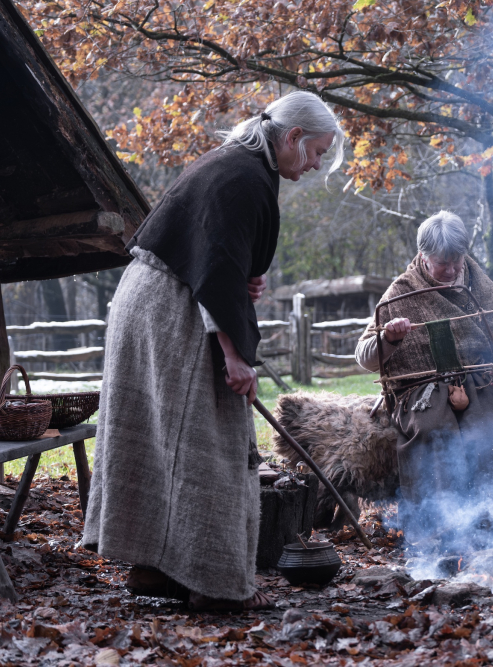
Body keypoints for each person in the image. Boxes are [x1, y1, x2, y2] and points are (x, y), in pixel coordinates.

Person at [81, 91, 346, 611]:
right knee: (215, 441)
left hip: (150, 300)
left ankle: (153, 567)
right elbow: (216, 272)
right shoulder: (244, 177)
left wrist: (246, 280)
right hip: (171, 309)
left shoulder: (236, 166)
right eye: (315, 152)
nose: (315, 165)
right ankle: (213, 582)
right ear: (291, 137)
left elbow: (220, 257)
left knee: (166, 440)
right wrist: (235, 356)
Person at [355, 211, 493, 550]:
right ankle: (438, 535)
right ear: (423, 256)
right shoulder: (401, 292)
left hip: (478, 382)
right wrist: (389, 340)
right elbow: (364, 356)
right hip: (420, 390)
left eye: (457, 262)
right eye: (442, 264)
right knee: (435, 429)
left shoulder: (480, 285)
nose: (451, 271)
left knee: (487, 429)